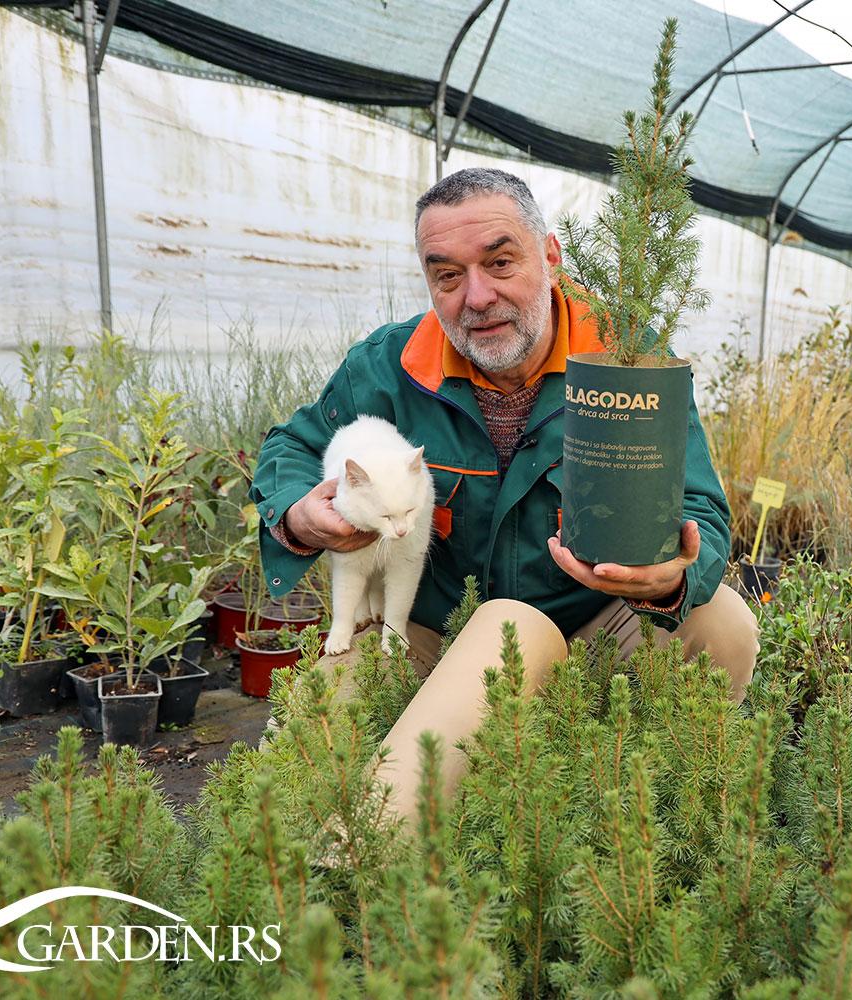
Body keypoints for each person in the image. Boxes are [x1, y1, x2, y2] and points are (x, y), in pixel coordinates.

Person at [250, 167, 758, 824]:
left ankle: (646, 819)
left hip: (595, 634)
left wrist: (665, 576)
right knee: (294, 773)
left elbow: (699, 508)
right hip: (430, 639)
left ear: (549, 257)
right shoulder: (393, 366)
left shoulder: (624, 360)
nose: (476, 296)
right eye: (448, 276)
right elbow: (294, 446)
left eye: (500, 262)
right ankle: (342, 866)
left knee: (723, 623)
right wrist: (300, 513)